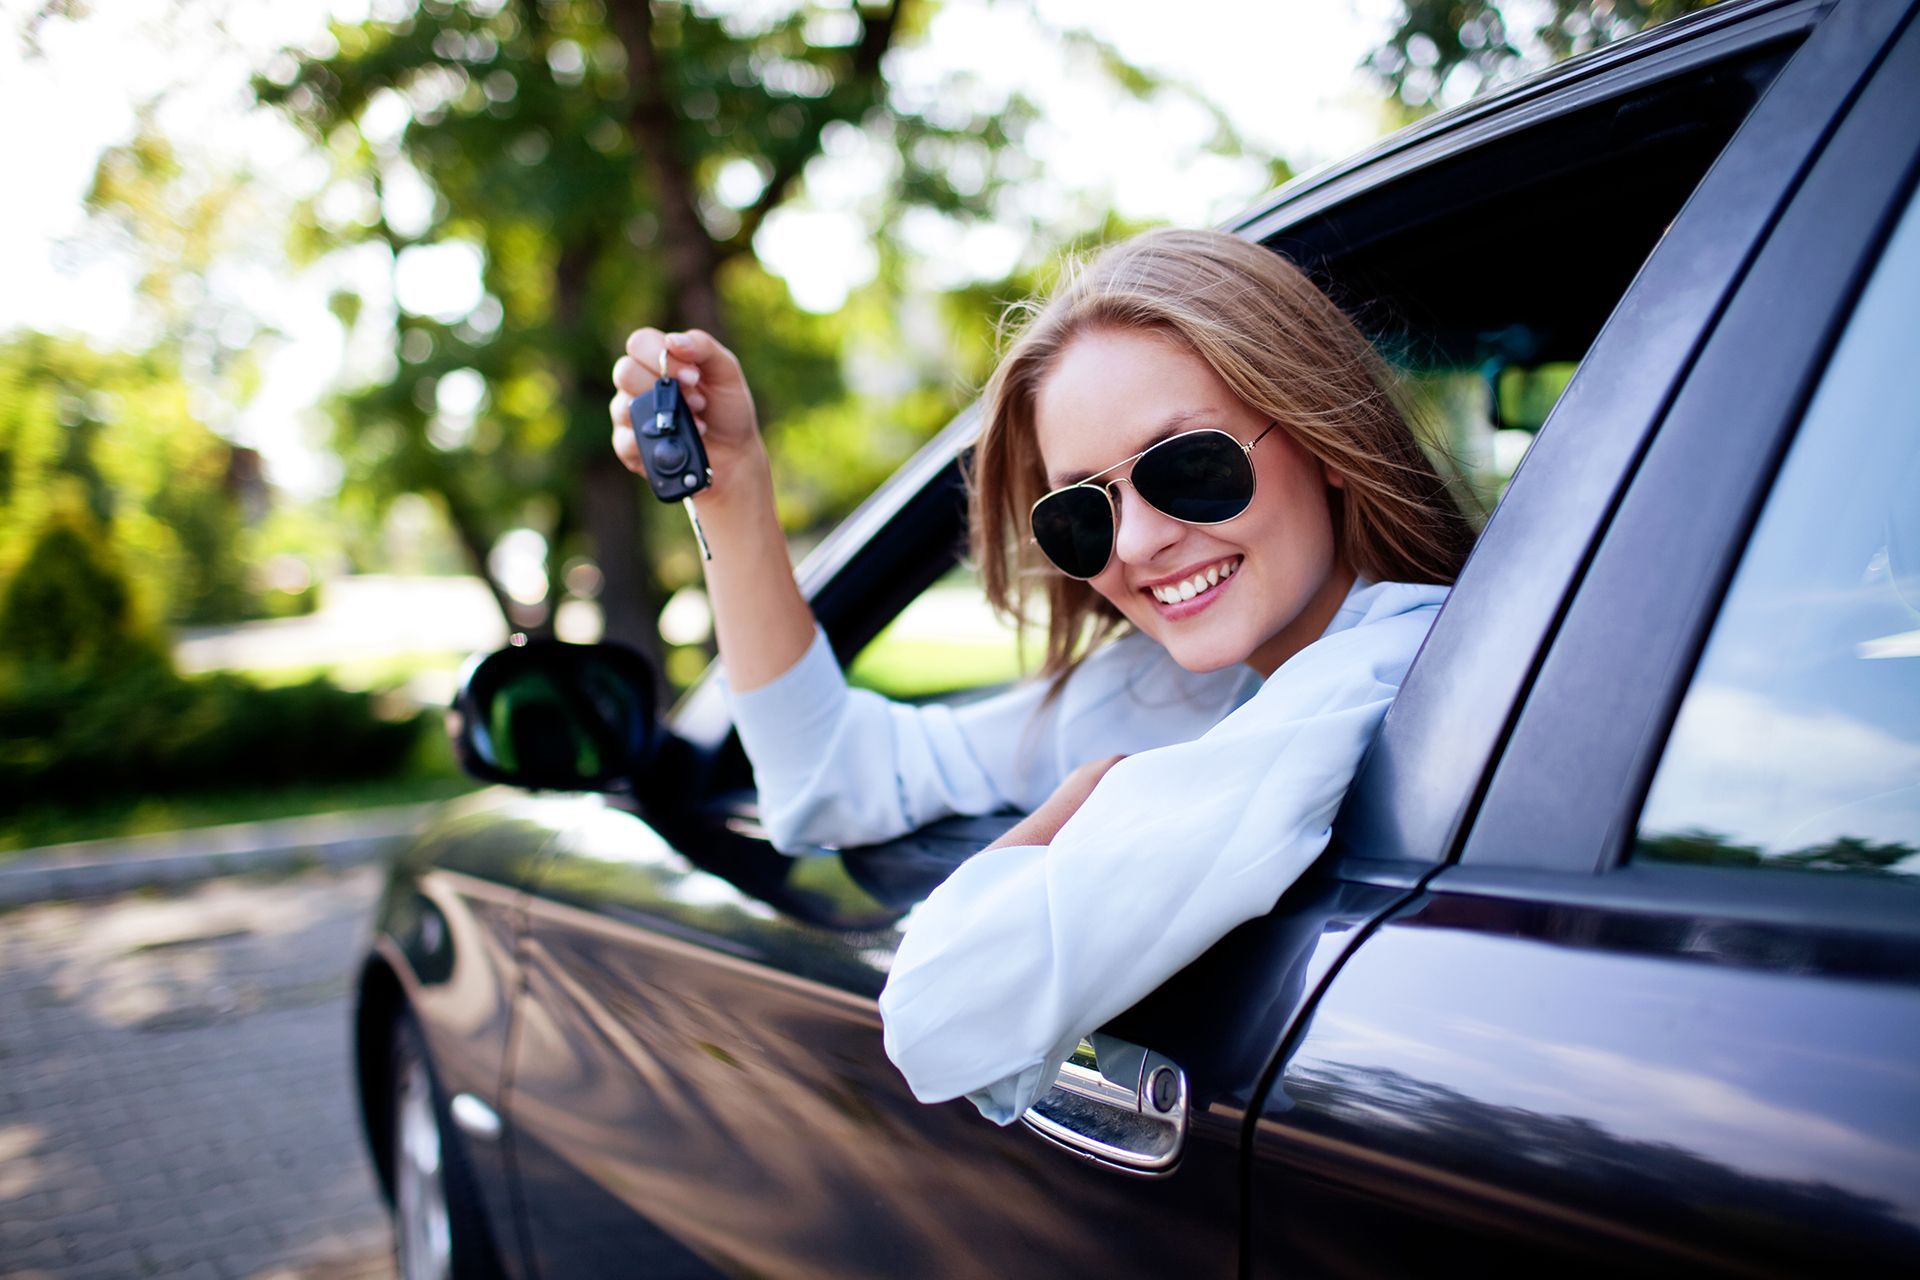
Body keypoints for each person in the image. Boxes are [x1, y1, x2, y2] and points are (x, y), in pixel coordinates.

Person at [609, 228, 1476, 1123]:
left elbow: (940, 1012)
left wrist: (1075, 812)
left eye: (1192, 466)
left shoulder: (1380, 679)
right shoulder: (1168, 689)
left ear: (1323, 435)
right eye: (1084, 512)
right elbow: (831, 777)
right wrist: (731, 487)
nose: (1137, 542)